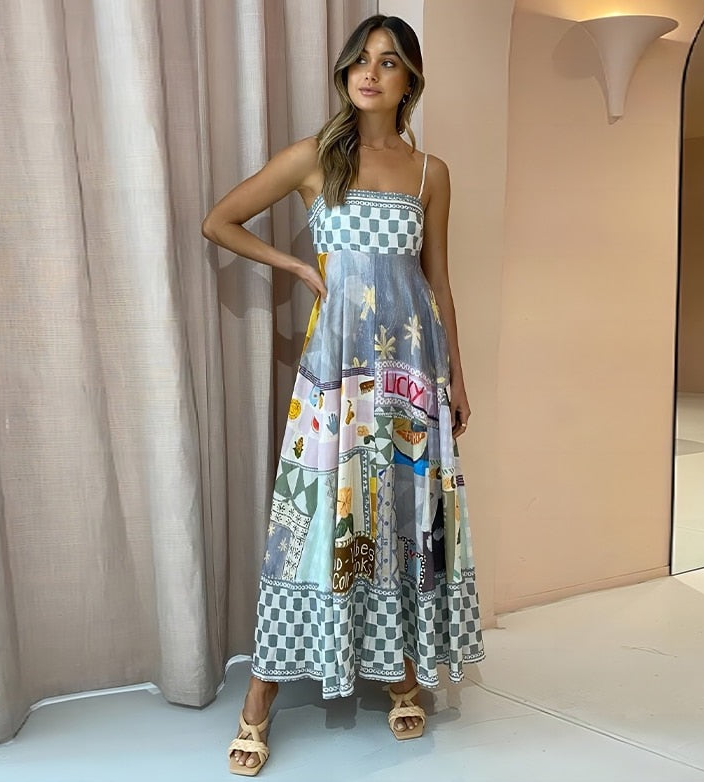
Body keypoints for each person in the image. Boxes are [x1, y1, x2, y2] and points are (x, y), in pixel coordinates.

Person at [202, 14, 485, 776]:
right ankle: (259, 696)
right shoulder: (314, 158)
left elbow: (438, 280)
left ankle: (401, 671)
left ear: (410, 81)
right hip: (336, 374)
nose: (370, 72)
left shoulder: (430, 174)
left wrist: (457, 376)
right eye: (361, 59)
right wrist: (299, 268)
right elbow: (219, 221)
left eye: (388, 62)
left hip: (410, 374)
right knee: (315, 515)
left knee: (401, 510)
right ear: (345, 73)